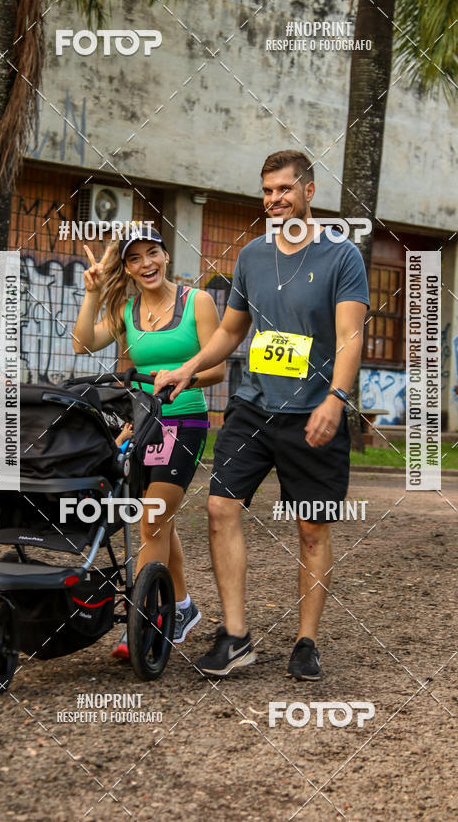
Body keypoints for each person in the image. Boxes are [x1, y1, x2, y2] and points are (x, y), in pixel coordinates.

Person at [155, 149, 369, 680]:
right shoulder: (250, 255)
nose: (274, 200)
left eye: (284, 190)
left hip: (313, 411)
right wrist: (188, 367)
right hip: (252, 407)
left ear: (309, 191)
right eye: (268, 191)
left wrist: (334, 400)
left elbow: (350, 338)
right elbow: (231, 331)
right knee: (220, 508)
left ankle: (306, 641)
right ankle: (235, 637)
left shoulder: (342, 257)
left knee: (312, 530)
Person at [72, 225, 226, 653]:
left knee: (153, 517)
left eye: (153, 253)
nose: (147, 264)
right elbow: (83, 344)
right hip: (140, 425)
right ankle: (181, 606)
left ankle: (142, 623)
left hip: (185, 421)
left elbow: (217, 369)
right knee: (159, 520)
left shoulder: (199, 301)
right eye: (135, 258)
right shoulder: (126, 309)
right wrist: (92, 292)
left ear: (166, 255)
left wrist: (182, 375)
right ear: (126, 267)